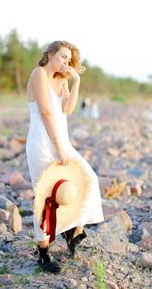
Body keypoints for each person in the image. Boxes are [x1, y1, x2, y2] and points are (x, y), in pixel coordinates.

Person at [26, 41, 104, 273]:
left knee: (89, 179)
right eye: (62, 57)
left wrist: (76, 80)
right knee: (46, 198)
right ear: (49, 54)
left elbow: (68, 109)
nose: (65, 62)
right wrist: (59, 147)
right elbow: (46, 112)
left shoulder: (62, 80)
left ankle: (73, 232)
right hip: (43, 143)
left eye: (68, 60)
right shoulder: (39, 73)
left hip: (62, 143)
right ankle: (43, 254)